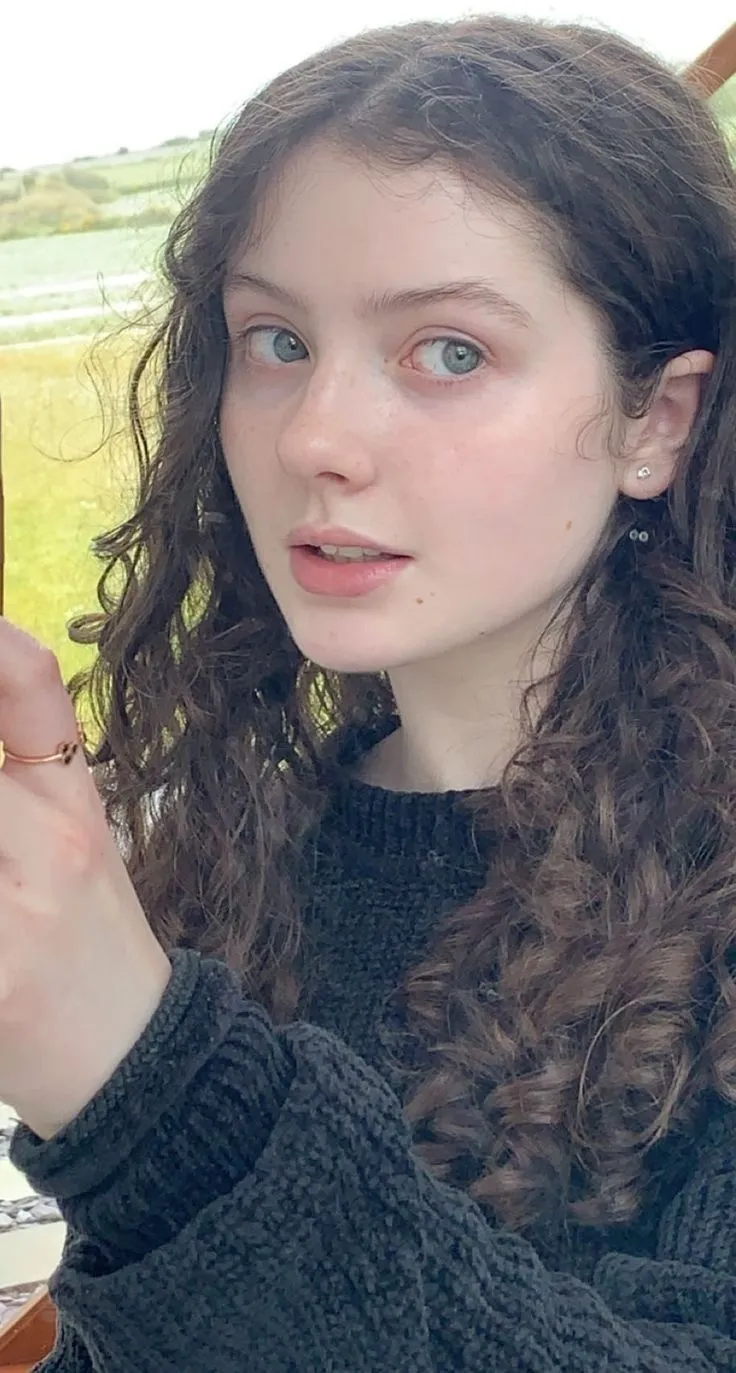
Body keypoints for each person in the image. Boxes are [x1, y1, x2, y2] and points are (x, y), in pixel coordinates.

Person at [2, 12, 736, 1370]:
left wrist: (148, 1091)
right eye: (272, 339)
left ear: (656, 421)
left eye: (447, 352)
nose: (315, 435)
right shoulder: (223, 848)